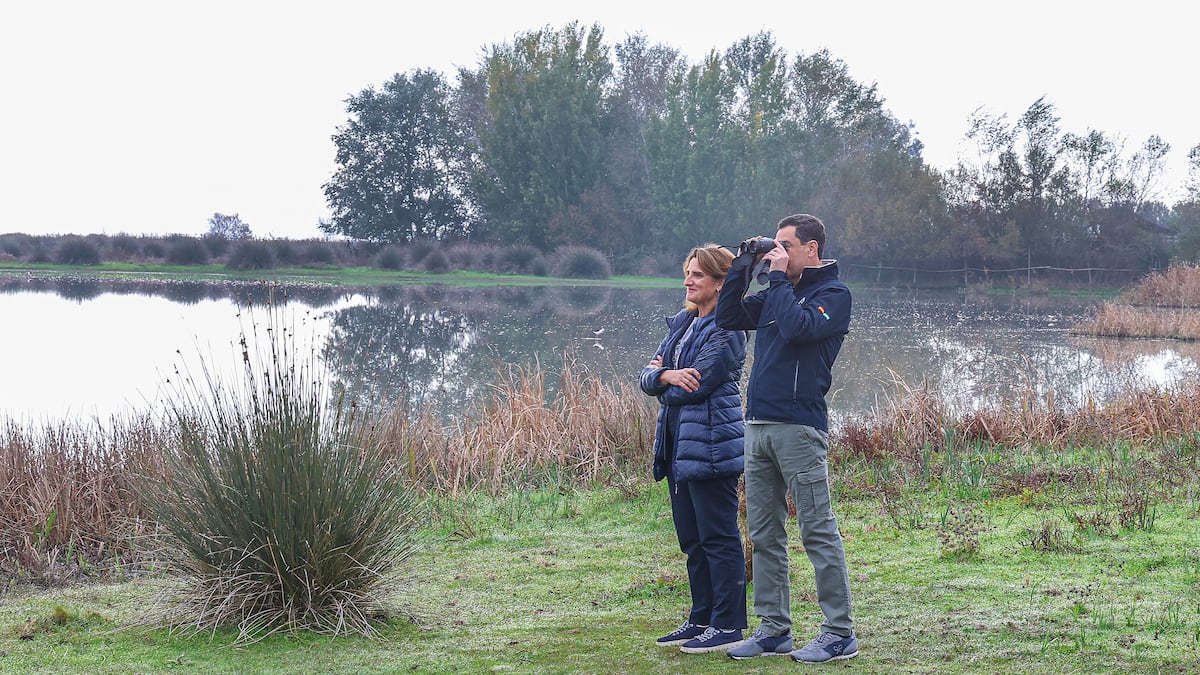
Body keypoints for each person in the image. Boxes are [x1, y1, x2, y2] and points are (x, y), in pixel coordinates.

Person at [715, 213, 858, 663]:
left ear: (811, 249)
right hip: (757, 425)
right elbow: (729, 315)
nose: (778, 252)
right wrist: (744, 263)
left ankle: (839, 633)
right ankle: (773, 629)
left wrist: (776, 279)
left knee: (816, 529)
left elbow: (798, 328)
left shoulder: (832, 295)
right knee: (763, 532)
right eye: (774, 245)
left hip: (799, 427)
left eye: (785, 245)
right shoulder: (782, 290)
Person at [639, 243, 749, 655]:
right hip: (677, 450)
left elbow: (697, 386)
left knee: (719, 538)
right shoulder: (682, 325)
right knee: (692, 539)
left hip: (713, 449)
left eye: (698, 275)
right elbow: (646, 377)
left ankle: (727, 625)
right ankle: (701, 617)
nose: (688, 281)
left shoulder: (728, 330)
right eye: (687, 273)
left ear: (721, 283)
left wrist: (662, 381)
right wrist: (666, 374)